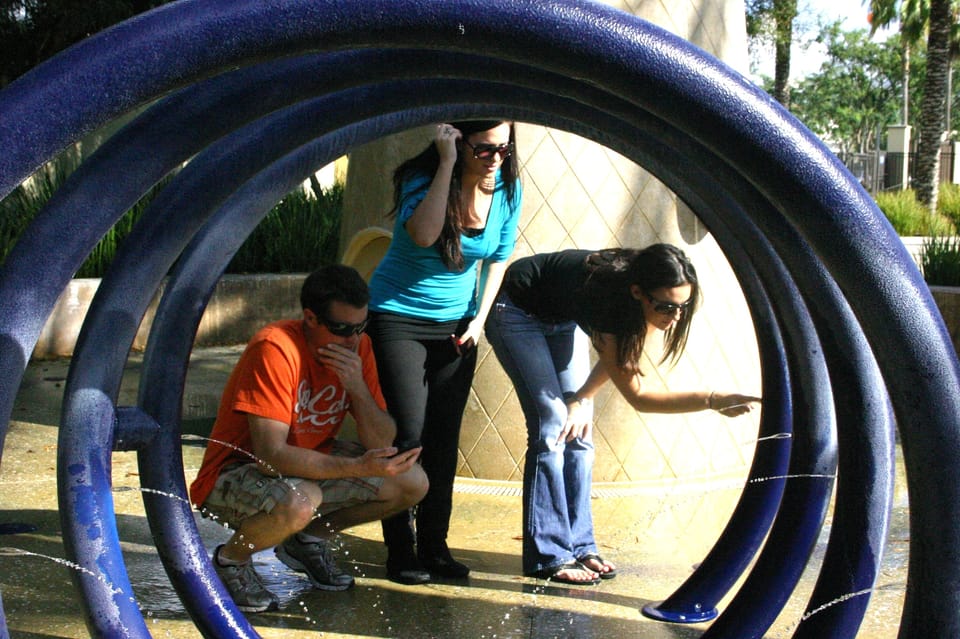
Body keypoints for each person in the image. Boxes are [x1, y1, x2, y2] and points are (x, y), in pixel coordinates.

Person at [484, 245, 761, 585]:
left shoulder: (640, 302)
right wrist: (712, 399)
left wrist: (582, 399)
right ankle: (550, 555)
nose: (673, 317)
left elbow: (617, 366)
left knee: (580, 428)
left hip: (562, 319)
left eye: (682, 307)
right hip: (516, 311)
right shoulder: (609, 298)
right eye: (665, 307)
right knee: (553, 423)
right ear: (637, 293)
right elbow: (639, 396)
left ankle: (581, 545)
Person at [189, 265, 428, 612]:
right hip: (232, 473)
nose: (352, 339)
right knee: (303, 498)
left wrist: (357, 388)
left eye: (360, 327)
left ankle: (308, 540)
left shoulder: (359, 348)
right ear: (311, 318)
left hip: (305, 464)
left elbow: (382, 442)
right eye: (341, 328)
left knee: (411, 482)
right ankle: (231, 560)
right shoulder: (276, 347)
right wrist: (355, 467)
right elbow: (271, 457)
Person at [367, 120, 523, 584]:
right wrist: (449, 166)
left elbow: (499, 258)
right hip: (396, 318)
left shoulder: (507, 191)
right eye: (485, 148)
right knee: (408, 436)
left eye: (504, 149)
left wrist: (478, 320)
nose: (496, 158)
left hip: (457, 325)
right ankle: (400, 550)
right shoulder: (423, 179)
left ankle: (435, 545)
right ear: (458, 140)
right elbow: (423, 235)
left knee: (442, 440)